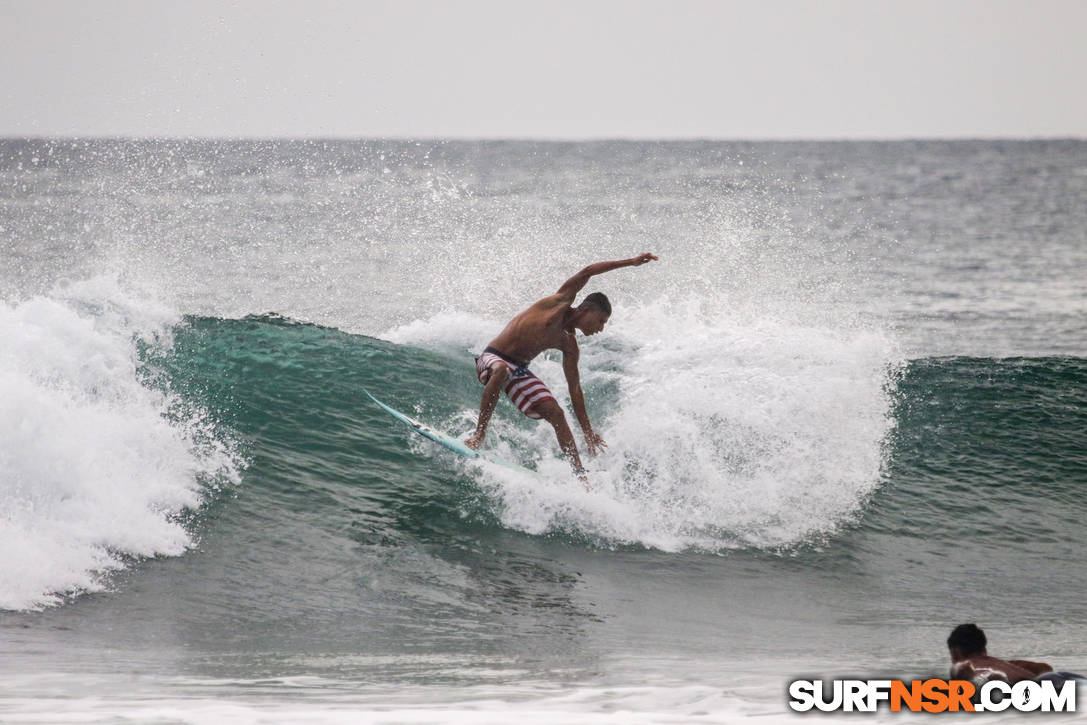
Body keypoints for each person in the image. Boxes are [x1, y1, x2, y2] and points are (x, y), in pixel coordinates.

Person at [465, 253, 659, 482]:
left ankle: (580, 475)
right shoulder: (558, 303)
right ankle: (479, 434)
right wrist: (630, 262)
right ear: (586, 310)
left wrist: (587, 430)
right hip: (494, 357)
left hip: (518, 370)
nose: (601, 328)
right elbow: (588, 271)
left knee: (556, 413)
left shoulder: (570, 345)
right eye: (601, 321)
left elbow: (574, 389)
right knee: (501, 370)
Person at [947, 624, 1055, 684]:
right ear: (984, 649)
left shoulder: (963, 667)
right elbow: (1044, 668)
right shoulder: (1007, 665)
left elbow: (987, 676)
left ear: (955, 654)